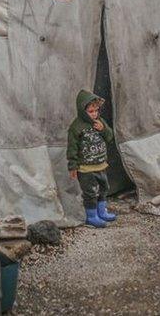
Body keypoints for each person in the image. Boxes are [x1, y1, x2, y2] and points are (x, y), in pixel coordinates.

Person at [66, 90, 118, 228]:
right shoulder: (76, 127)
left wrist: (103, 129)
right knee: (90, 192)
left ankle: (102, 212)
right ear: (83, 111)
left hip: (100, 165)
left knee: (104, 188)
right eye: (91, 111)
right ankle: (91, 216)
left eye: (96, 110)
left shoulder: (100, 122)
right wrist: (73, 166)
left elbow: (110, 137)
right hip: (86, 168)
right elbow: (72, 148)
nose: (94, 114)